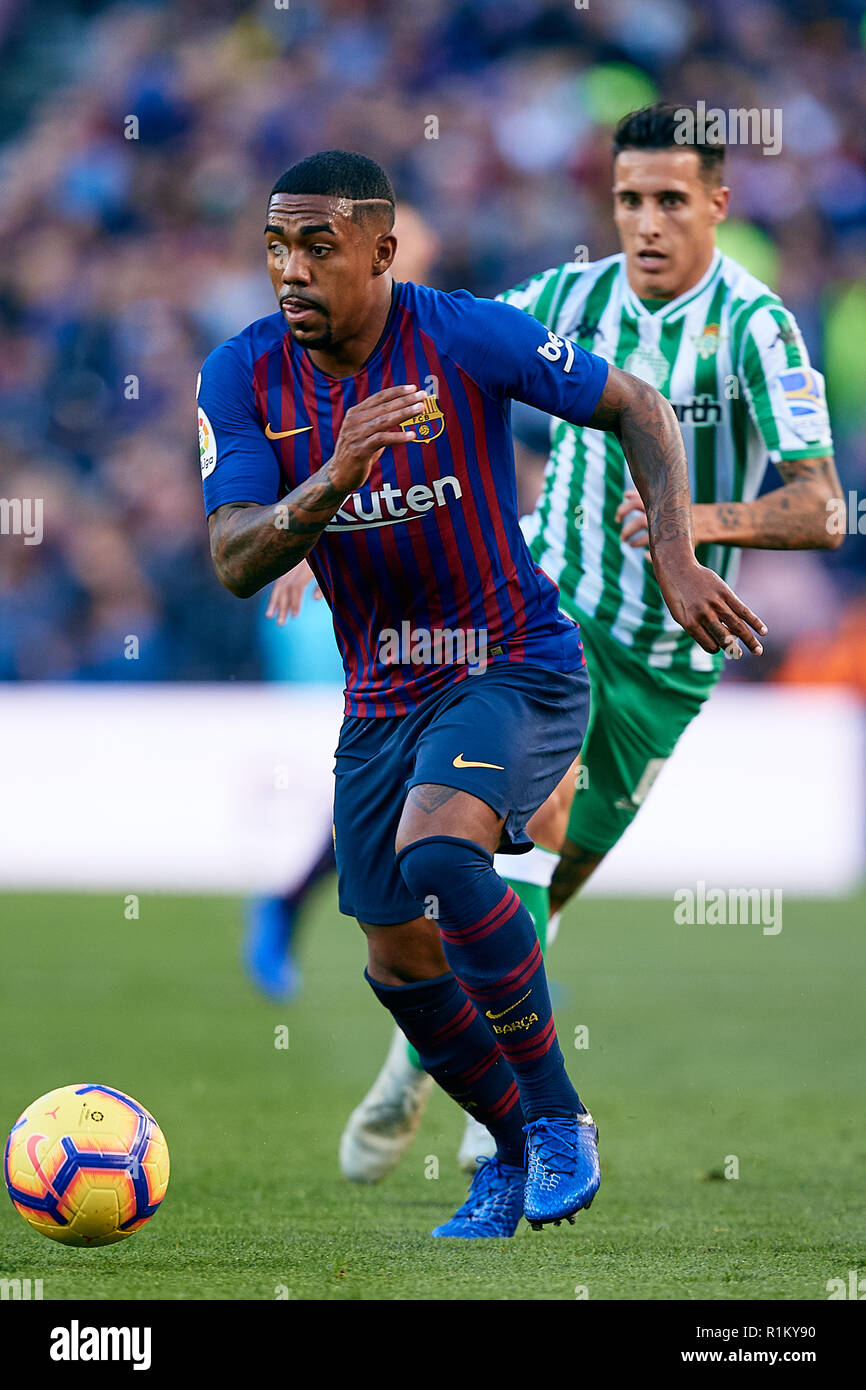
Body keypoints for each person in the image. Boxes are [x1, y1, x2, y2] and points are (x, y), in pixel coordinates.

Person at [199, 148, 765, 1238]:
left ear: (380, 249)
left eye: (318, 246)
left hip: (512, 659)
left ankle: (558, 1121)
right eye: (276, 246)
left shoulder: (458, 335)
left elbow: (637, 405)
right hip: (379, 696)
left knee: (439, 851)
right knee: (395, 956)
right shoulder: (242, 374)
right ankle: (506, 1153)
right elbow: (233, 557)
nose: (291, 271)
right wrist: (328, 481)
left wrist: (680, 556)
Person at [343, 104, 841, 1179]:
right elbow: (446, 344)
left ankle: (410, 1065)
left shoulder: (755, 330)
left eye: (669, 200)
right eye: (627, 201)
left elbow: (820, 509)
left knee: (540, 890)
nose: (646, 223)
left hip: (665, 659)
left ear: (717, 202)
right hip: (543, 610)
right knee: (533, 826)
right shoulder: (569, 297)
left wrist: (695, 522)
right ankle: (513, 1110)